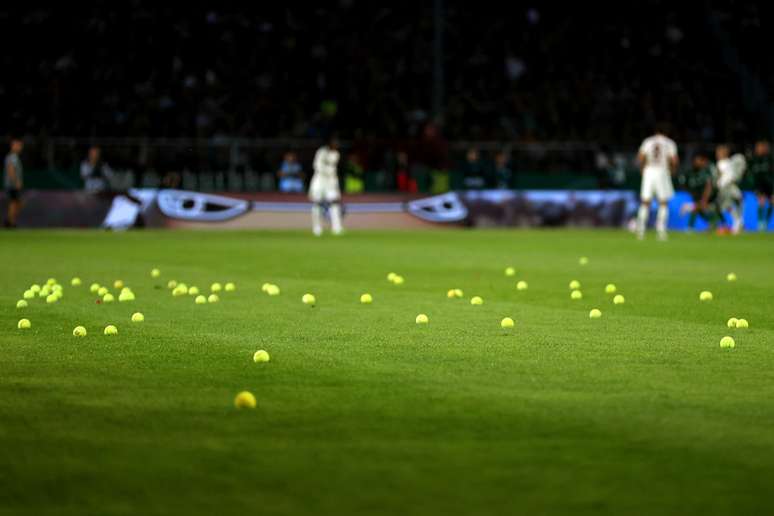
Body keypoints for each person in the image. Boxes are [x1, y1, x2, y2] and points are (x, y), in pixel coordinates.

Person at [635, 127, 678, 240]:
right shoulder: (669, 143)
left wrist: (642, 169)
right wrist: (673, 170)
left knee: (645, 202)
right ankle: (661, 230)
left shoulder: (648, 141)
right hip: (662, 170)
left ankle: (640, 230)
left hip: (649, 170)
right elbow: (674, 160)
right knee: (663, 202)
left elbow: (640, 157)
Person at [309, 137, 342, 236]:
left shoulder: (336, 154)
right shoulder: (321, 152)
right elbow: (317, 166)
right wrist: (326, 170)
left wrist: (336, 185)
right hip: (319, 180)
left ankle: (336, 227)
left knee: (334, 203)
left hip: (330, 181)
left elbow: (332, 169)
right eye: (334, 143)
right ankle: (317, 227)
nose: (336, 145)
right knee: (317, 203)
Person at [682, 153, 719, 231]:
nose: (696, 162)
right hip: (702, 196)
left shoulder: (708, 169)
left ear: (703, 160)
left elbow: (709, 185)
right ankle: (712, 224)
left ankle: (719, 223)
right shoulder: (695, 171)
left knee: (704, 209)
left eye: (698, 160)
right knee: (699, 210)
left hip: (713, 195)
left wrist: (705, 199)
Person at [715, 144, 746, 234]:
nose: (717, 154)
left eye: (718, 152)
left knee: (726, 206)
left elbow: (721, 175)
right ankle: (739, 221)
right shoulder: (730, 162)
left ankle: (737, 222)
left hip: (725, 187)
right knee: (736, 203)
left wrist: (719, 182)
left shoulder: (721, 163)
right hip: (732, 186)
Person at [749, 140, 773, 231]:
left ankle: (766, 222)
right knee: (761, 202)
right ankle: (760, 223)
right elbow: (751, 174)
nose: (760, 149)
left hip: (769, 184)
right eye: (758, 147)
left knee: (771, 202)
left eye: (761, 147)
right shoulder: (754, 159)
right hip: (759, 185)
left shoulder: (769, 159)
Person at [3, 138, 24, 228]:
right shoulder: (12, 157)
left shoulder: (15, 157)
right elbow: (10, 170)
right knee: (14, 203)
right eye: (17, 145)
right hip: (12, 185)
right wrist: (16, 182)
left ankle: (10, 221)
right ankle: (10, 222)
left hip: (12, 185)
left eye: (20, 145)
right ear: (12, 146)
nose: (19, 147)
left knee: (17, 203)